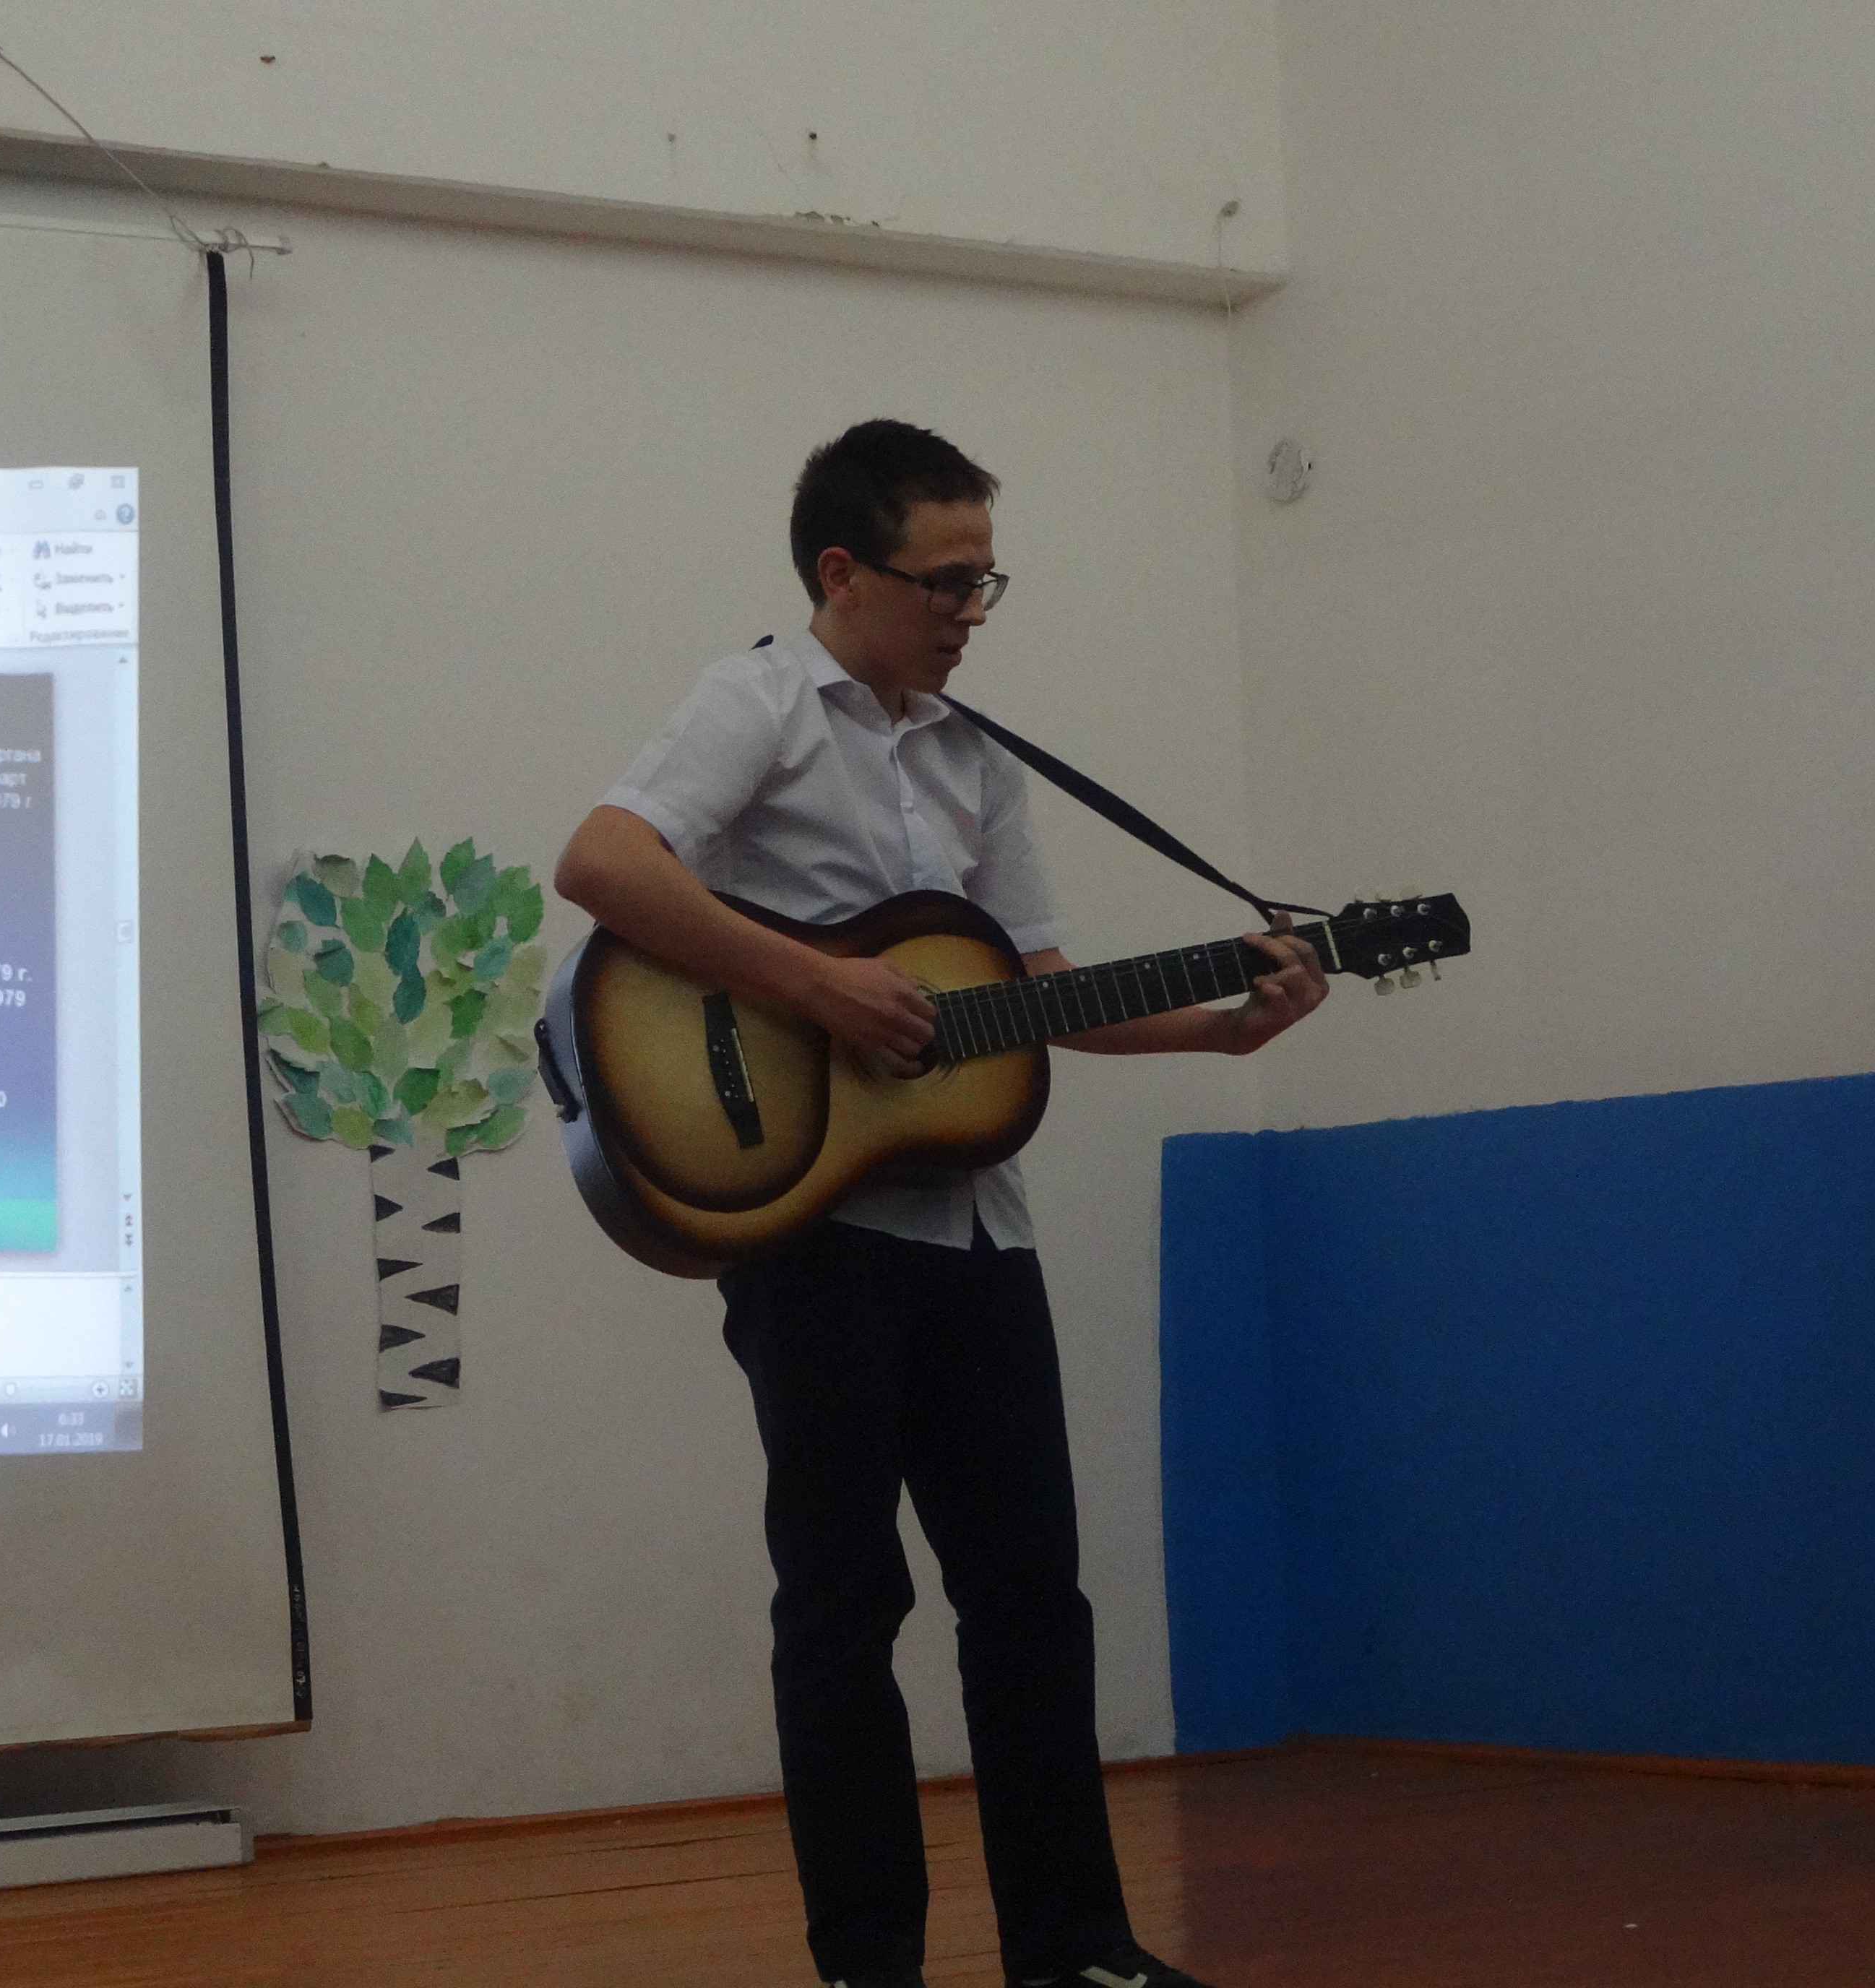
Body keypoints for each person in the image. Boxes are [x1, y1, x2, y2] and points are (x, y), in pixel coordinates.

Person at [554, 420, 1326, 1988]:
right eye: (946, 580)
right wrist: (817, 983)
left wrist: (1219, 1025)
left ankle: (1074, 1946)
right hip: (812, 1226)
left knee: (1031, 1592)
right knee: (844, 1602)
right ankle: (871, 1965)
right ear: (844, 571)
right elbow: (604, 862)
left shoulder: (980, 756)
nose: (972, 609)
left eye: (987, 580)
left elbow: (1038, 989)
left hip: (978, 1226)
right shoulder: (760, 702)